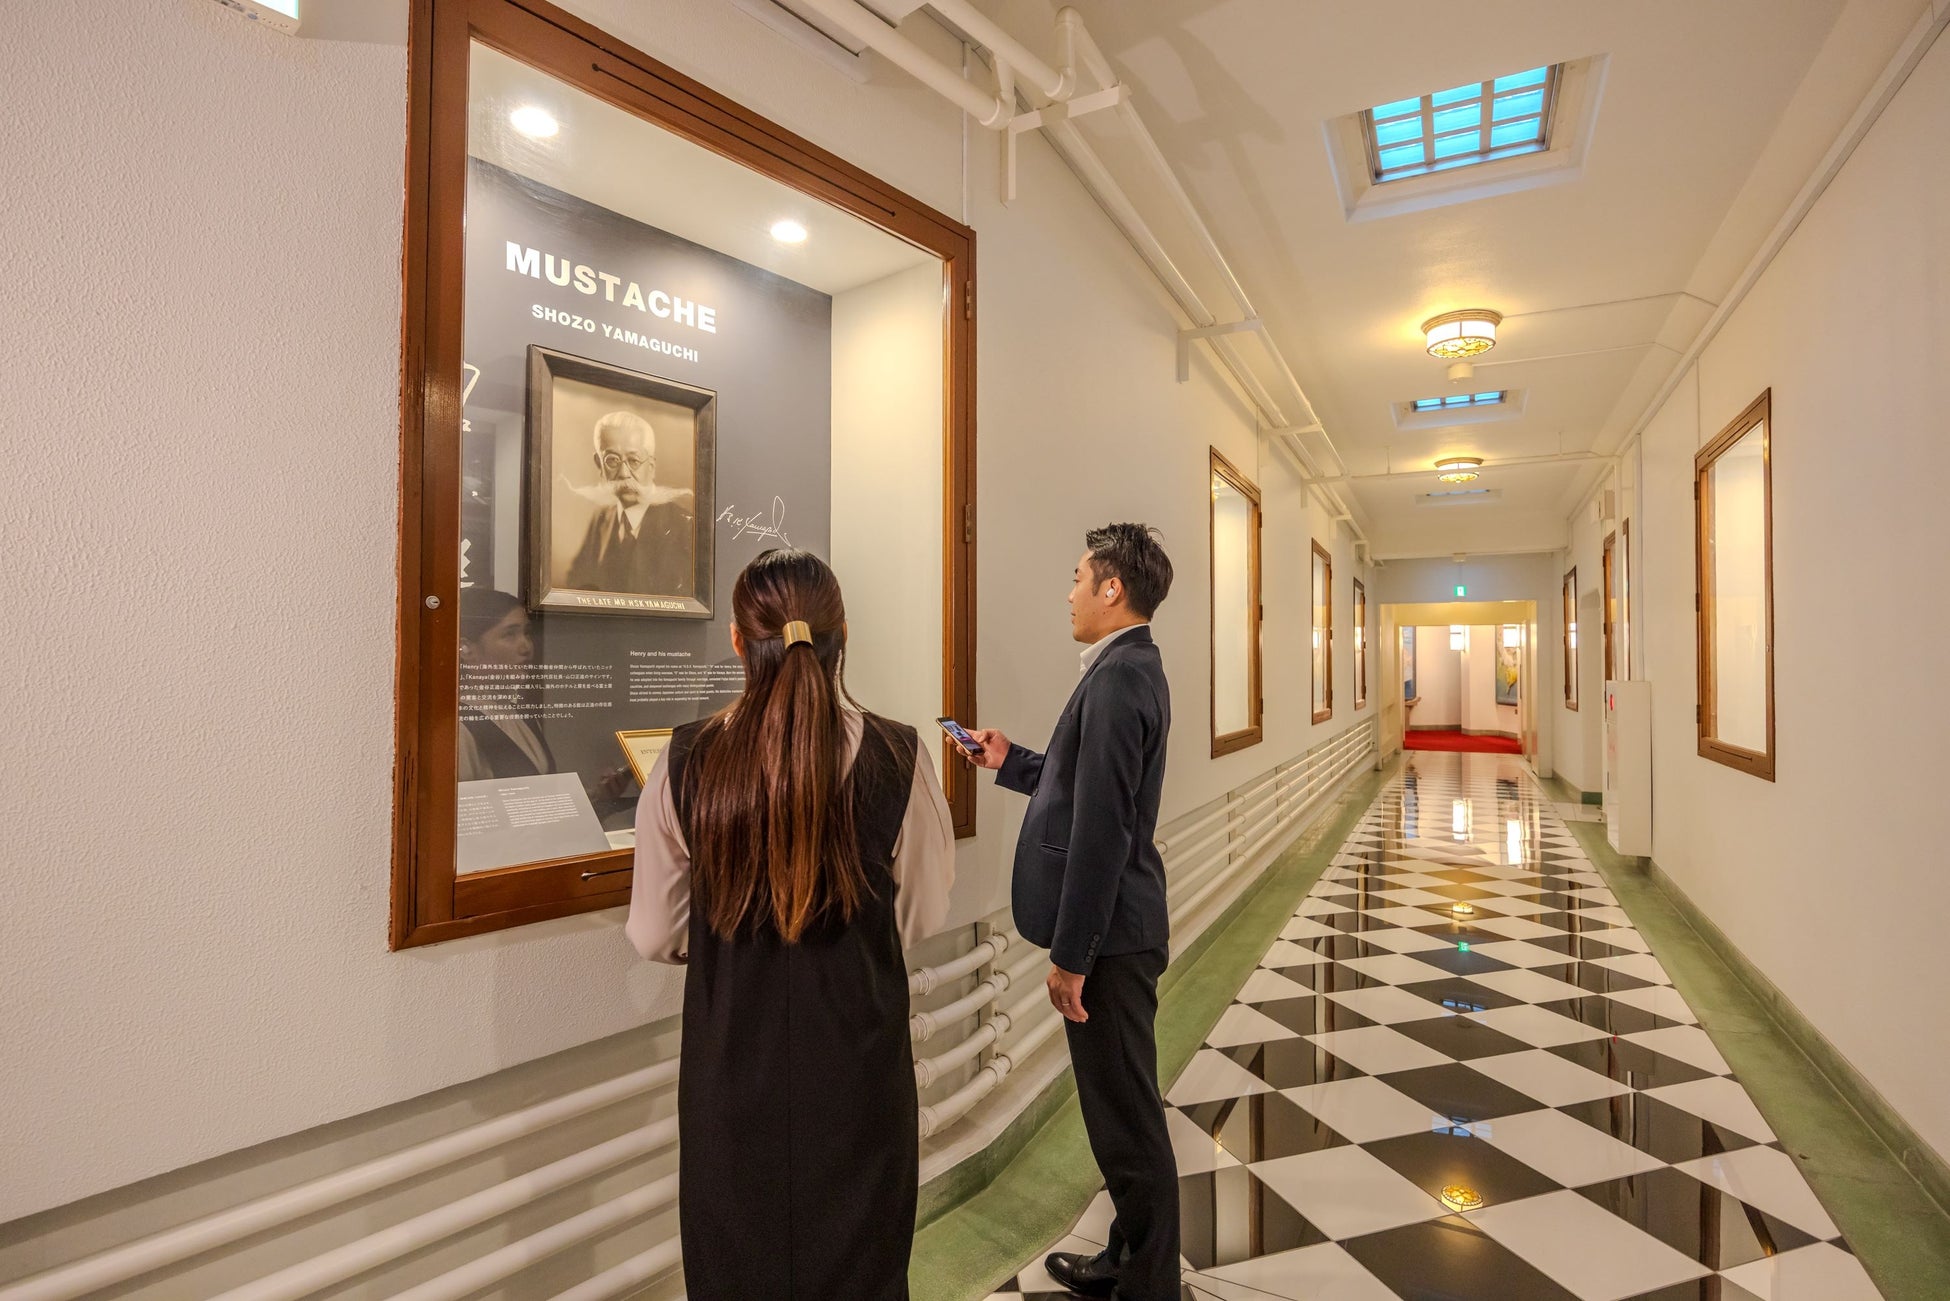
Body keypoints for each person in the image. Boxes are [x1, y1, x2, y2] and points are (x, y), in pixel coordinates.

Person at [625, 548, 955, 1300]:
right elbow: (920, 913)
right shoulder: (900, 756)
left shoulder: (684, 760)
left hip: (731, 1077)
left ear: (738, 642)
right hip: (860, 1073)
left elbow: (655, 934)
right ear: (844, 637)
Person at [966, 523, 1177, 1301]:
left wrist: (1071, 955)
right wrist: (1010, 759)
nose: (1069, 591)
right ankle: (1127, 1254)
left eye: (1079, 576)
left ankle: (1149, 1285)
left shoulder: (1119, 677)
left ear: (1111, 588)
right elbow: (1085, 785)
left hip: (1110, 941)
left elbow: (1102, 829)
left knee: (1128, 1124)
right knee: (1120, 1114)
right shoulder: (1127, 666)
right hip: (1116, 933)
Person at [565, 410, 695, 596]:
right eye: (612, 460)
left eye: (633, 460)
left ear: (651, 467)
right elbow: (576, 581)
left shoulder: (684, 526)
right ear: (599, 464)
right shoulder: (601, 518)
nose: (623, 474)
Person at [457, 587, 555, 780]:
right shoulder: (460, 726)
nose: (526, 646)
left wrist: (598, 794)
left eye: (527, 633)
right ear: (466, 649)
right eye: (510, 634)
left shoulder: (524, 716)